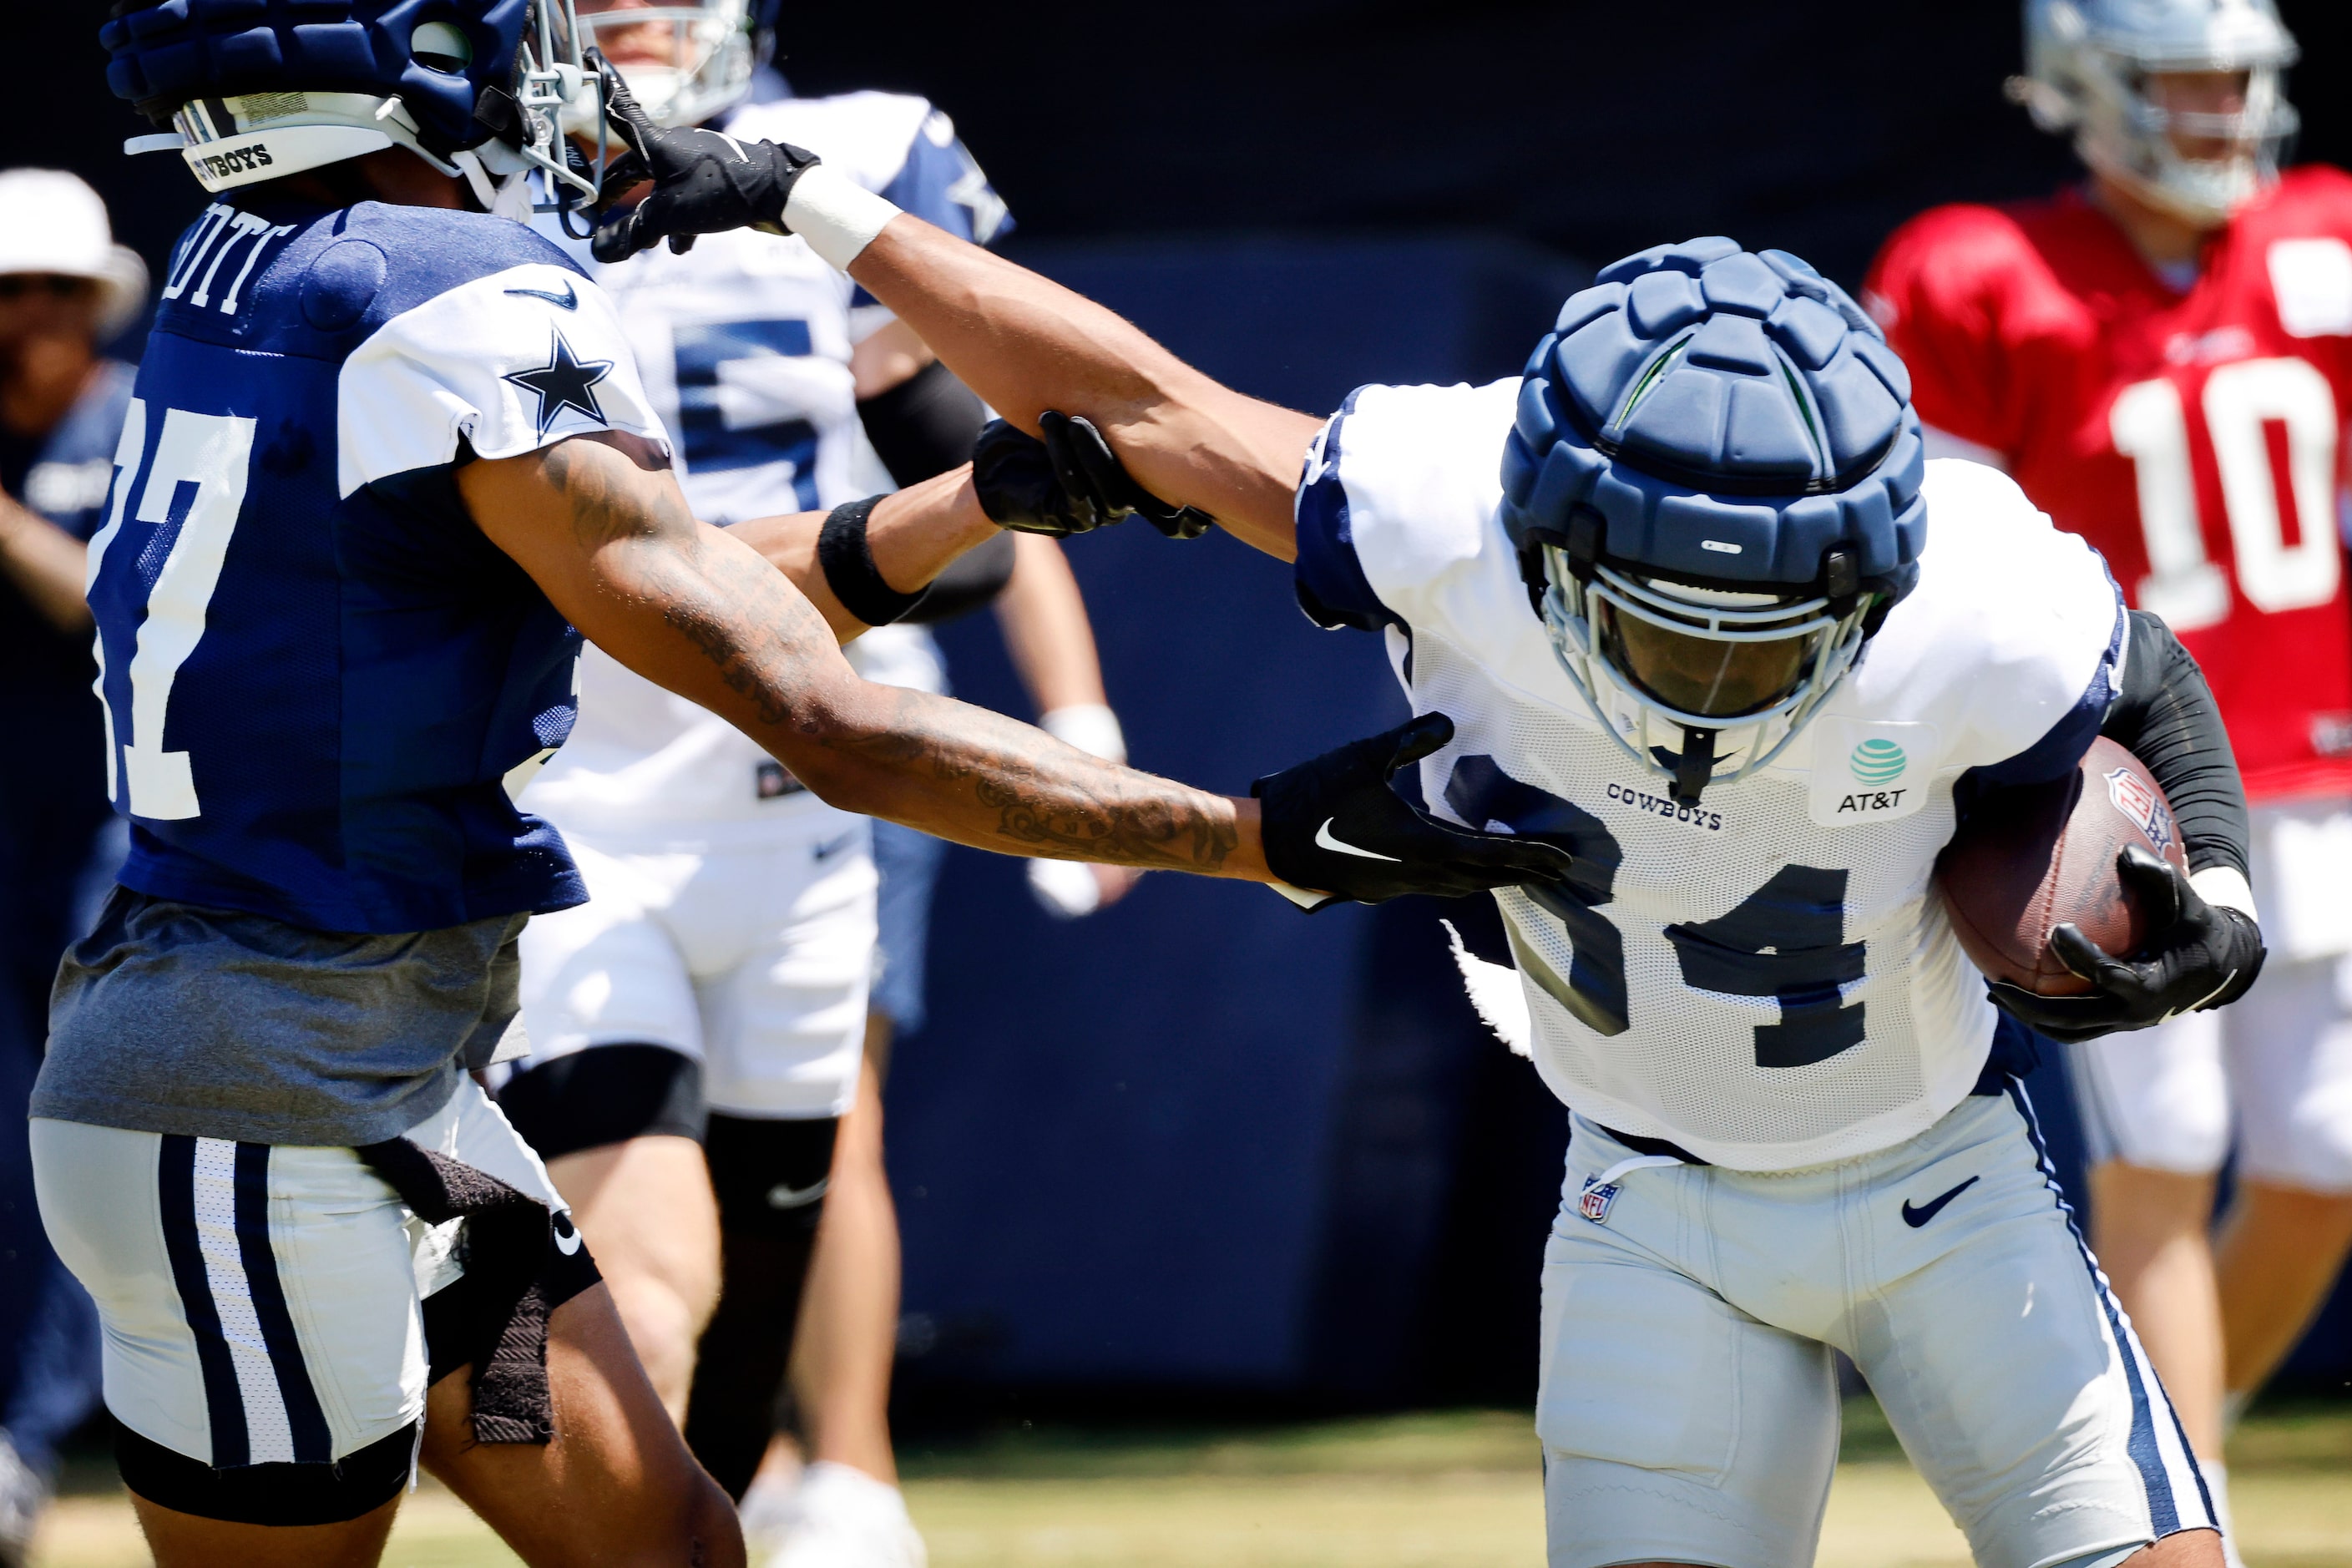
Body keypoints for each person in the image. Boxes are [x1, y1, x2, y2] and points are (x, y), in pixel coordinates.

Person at [598, 109, 2279, 1566]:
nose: (1708, 681)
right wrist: (806, 198)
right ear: (1543, 540)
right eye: (1664, 623)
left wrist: (2203, 868)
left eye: (1763, 627)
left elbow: (2144, 673)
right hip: (1648, 1201)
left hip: (1941, 1176)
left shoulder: (1977, 587)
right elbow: (1127, 391)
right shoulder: (1436, 499)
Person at [46, 7, 1571, 1563]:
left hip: (397, 1102)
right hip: (254, 1128)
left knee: (669, 1545)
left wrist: (970, 497)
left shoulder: (250, 264)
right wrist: (1250, 837)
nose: (552, 65)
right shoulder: (452, 294)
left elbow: (686, 583)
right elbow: (823, 721)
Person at [501, 5, 1133, 1561]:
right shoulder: (477, 165)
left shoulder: (854, 149)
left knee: (825, 1131)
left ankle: (837, 1473)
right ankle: (728, 1486)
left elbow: (992, 467)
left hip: (815, 751)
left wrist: (1081, 716)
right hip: (584, 770)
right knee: (645, 1265)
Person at [1864, 1, 2352, 1545]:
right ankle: (2177, 1513)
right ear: (2085, 87)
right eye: (2179, 84)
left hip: (2323, 761)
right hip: (2121, 777)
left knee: (2325, 1169)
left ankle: (2164, 1457)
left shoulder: (2325, 231)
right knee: (2165, 1149)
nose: (2215, 115)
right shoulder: (1976, 272)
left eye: (2232, 83)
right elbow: (1935, 551)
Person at [0, 166, 145, 1567]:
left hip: (106, 850)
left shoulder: (142, 427)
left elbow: (123, 617)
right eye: (3, 290)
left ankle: (23, 1443)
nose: (25, 317)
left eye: (53, 290)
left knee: (66, 1140)